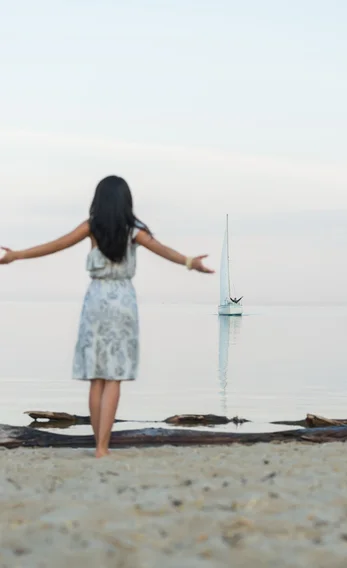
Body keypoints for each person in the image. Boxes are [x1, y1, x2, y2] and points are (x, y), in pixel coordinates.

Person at [0, 175, 214, 458]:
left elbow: (56, 244)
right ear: (126, 201)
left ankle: (97, 446)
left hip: (96, 300)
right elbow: (164, 251)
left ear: (98, 200)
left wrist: (17, 256)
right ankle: (103, 448)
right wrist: (190, 263)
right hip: (123, 301)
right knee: (114, 377)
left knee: (96, 377)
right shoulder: (134, 230)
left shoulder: (92, 227)